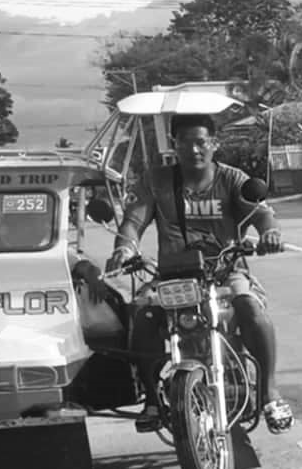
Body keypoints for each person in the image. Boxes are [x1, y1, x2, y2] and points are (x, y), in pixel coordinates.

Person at [107, 113, 292, 434]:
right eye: (185, 143)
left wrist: (270, 235)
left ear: (214, 144)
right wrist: (124, 250)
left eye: (201, 142)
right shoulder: (155, 180)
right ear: (174, 146)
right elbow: (133, 223)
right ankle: (152, 399)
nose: (194, 149)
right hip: (172, 275)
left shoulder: (232, 179)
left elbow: (262, 215)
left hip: (225, 271)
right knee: (142, 313)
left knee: (250, 309)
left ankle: (269, 393)